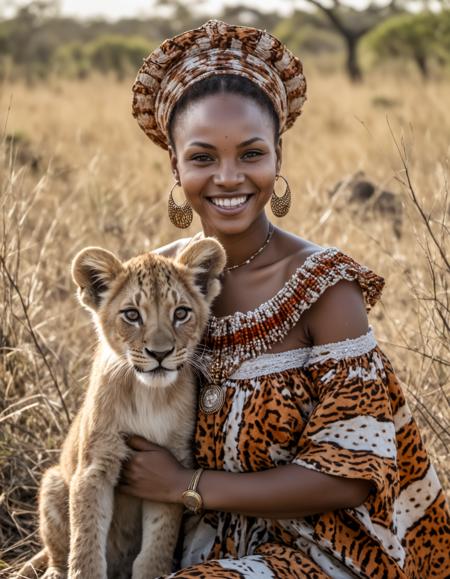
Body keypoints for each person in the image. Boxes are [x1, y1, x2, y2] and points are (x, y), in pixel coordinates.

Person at [118, 19, 450, 578]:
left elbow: (349, 477)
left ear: (278, 158)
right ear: (175, 165)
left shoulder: (324, 286)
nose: (228, 177)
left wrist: (185, 487)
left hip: (329, 549)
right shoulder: (155, 280)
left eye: (251, 153)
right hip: (190, 545)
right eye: (202, 158)